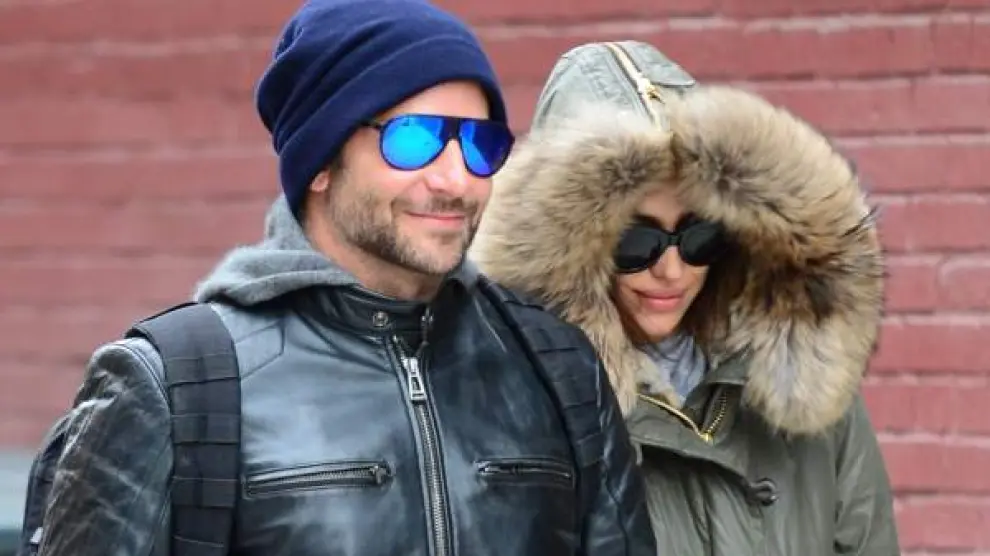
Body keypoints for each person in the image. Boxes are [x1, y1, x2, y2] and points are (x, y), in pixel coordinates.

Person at [33, 5, 656, 556]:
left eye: (479, 142)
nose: (456, 180)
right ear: (321, 163)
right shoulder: (174, 384)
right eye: (414, 139)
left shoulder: (557, 366)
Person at [472, 40, 900, 555]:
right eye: (636, 242)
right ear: (570, 252)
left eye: (699, 236)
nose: (672, 270)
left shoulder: (802, 392)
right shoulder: (516, 417)